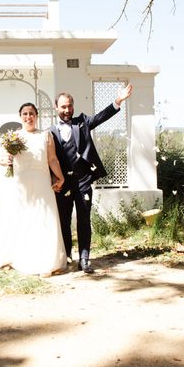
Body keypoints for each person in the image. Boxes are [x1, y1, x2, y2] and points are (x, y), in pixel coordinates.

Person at [50, 85, 133, 274]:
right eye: (63, 107)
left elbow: (101, 116)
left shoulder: (83, 122)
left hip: (83, 180)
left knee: (84, 220)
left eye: (69, 106)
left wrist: (118, 101)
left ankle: (85, 259)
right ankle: (68, 257)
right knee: (63, 221)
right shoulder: (50, 132)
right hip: (62, 184)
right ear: (56, 108)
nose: (67, 110)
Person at [0, 103, 67, 276]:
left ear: (36, 116)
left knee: (43, 219)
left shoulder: (46, 135)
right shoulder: (14, 137)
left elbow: (52, 159)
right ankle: (16, 256)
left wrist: (60, 177)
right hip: (20, 185)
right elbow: (2, 157)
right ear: (20, 116)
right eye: (25, 114)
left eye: (31, 114)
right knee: (19, 220)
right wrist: (4, 160)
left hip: (42, 183)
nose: (28, 117)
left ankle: (46, 261)